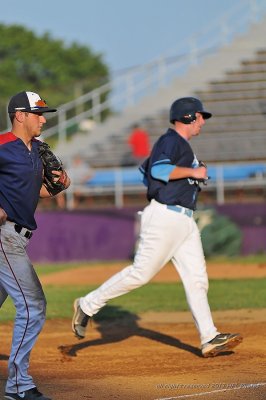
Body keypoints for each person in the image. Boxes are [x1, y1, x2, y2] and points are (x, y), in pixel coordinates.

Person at [72, 97, 243, 358]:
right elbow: (159, 171)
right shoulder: (171, 140)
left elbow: (146, 170)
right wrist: (193, 174)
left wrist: (187, 177)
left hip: (185, 219)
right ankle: (87, 304)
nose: (202, 122)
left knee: (197, 280)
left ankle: (209, 337)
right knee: (141, 273)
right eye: (199, 116)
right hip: (166, 216)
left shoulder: (178, 145)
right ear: (186, 117)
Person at [0, 91, 70, 400]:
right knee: (33, 306)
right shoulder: (3, 146)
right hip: (3, 237)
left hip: (18, 237)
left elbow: (40, 190)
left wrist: (59, 184)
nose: (43, 118)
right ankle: (18, 386)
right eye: (37, 113)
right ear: (20, 115)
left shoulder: (37, 150)